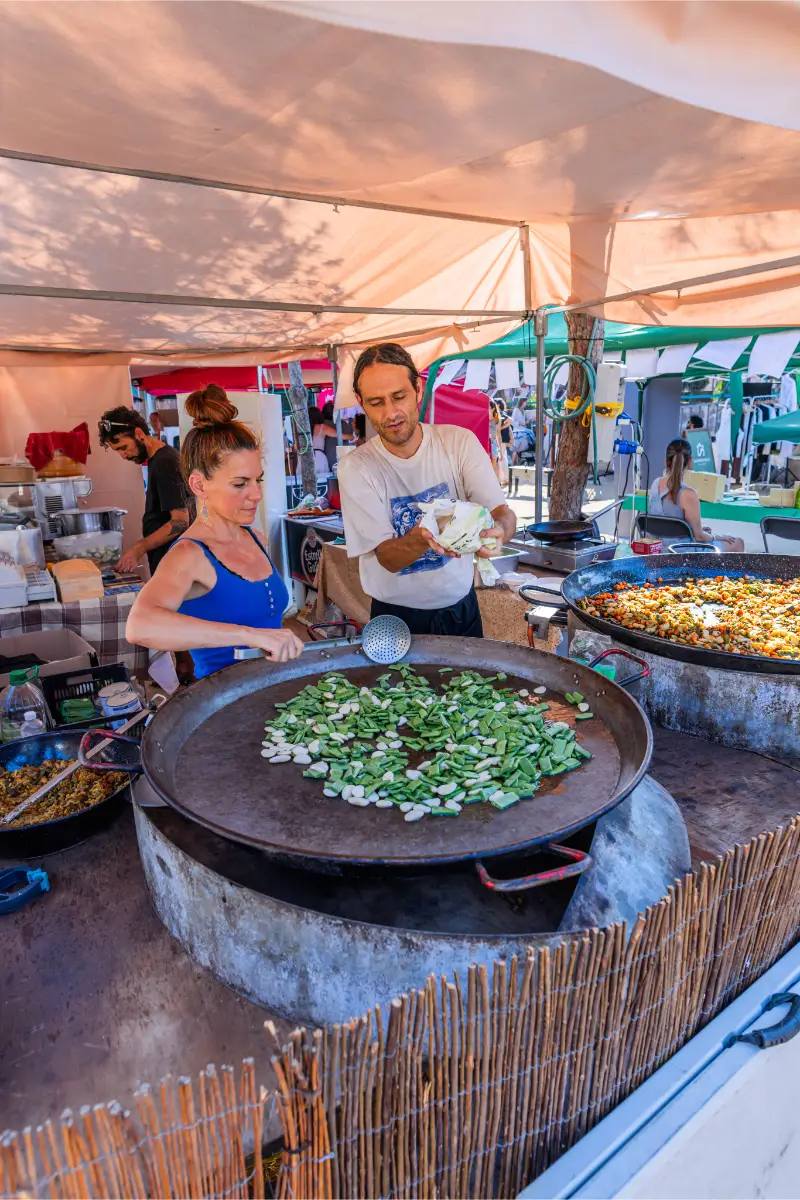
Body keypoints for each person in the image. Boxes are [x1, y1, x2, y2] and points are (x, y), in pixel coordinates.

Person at [338, 342, 516, 638]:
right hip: (395, 617)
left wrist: (499, 531)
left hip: (461, 610)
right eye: (376, 402)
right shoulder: (356, 467)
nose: (391, 413)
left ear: (418, 389)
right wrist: (425, 536)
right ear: (360, 402)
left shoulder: (458, 443)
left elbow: (503, 513)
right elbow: (387, 558)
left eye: (399, 396)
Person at [126, 384, 304, 677]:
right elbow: (139, 625)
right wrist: (250, 635)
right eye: (240, 484)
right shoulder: (189, 554)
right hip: (225, 695)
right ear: (199, 485)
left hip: (275, 688)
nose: (256, 494)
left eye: (257, 480)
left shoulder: (256, 538)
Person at [99, 406, 190, 575]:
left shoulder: (165, 462)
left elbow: (180, 522)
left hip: (176, 566)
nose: (123, 456)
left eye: (123, 447)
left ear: (139, 433)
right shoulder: (158, 459)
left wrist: (138, 548)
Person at [649, 437, 744, 551]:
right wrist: (718, 536)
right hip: (682, 552)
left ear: (666, 462)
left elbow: (667, 521)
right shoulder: (689, 494)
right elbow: (699, 536)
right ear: (690, 461)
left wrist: (694, 530)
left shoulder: (655, 484)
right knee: (738, 543)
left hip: (656, 549)